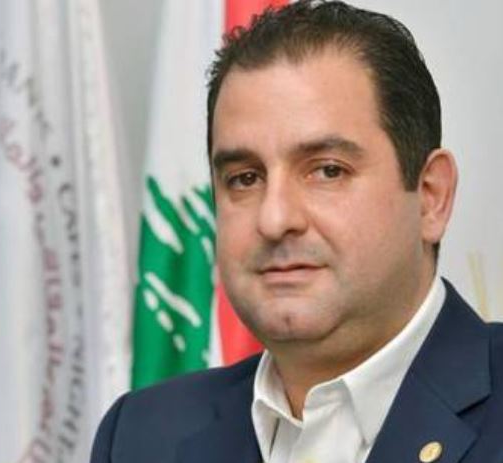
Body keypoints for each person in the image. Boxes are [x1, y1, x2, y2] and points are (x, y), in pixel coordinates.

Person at [90, 1, 503, 462]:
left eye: (327, 170)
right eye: (245, 178)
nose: (275, 219)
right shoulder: (141, 436)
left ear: (430, 196)